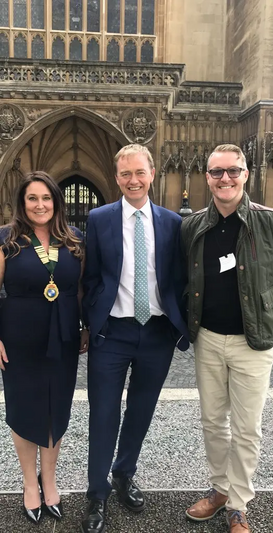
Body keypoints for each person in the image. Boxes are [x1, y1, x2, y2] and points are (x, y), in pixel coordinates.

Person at [181, 144, 273, 533]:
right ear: (207, 177)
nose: (225, 179)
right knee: (213, 422)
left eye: (233, 171)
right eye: (217, 172)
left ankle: (238, 504)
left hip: (253, 343)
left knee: (248, 427)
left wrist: (265, 317)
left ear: (246, 174)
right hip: (209, 339)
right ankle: (219, 490)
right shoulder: (193, 224)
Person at [81, 144, 189, 533]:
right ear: (116, 178)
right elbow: (90, 276)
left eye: (139, 172)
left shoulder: (172, 222)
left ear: (153, 173)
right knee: (103, 414)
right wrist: (89, 323)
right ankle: (97, 494)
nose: (133, 180)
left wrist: (180, 323)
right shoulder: (99, 218)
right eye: (125, 174)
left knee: (140, 412)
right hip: (112, 332)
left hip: (157, 333)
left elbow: (178, 277)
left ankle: (123, 474)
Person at [0, 171, 88, 524]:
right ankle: (29, 484)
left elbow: (80, 289)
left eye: (46, 198)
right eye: (32, 198)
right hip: (19, 339)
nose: (40, 205)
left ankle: (49, 481)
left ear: (57, 201)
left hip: (63, 337)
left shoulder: (74, 240)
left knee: (55, 408)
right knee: (24, 410)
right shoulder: (7, 239)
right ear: (23, 203)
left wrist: (83, 327)